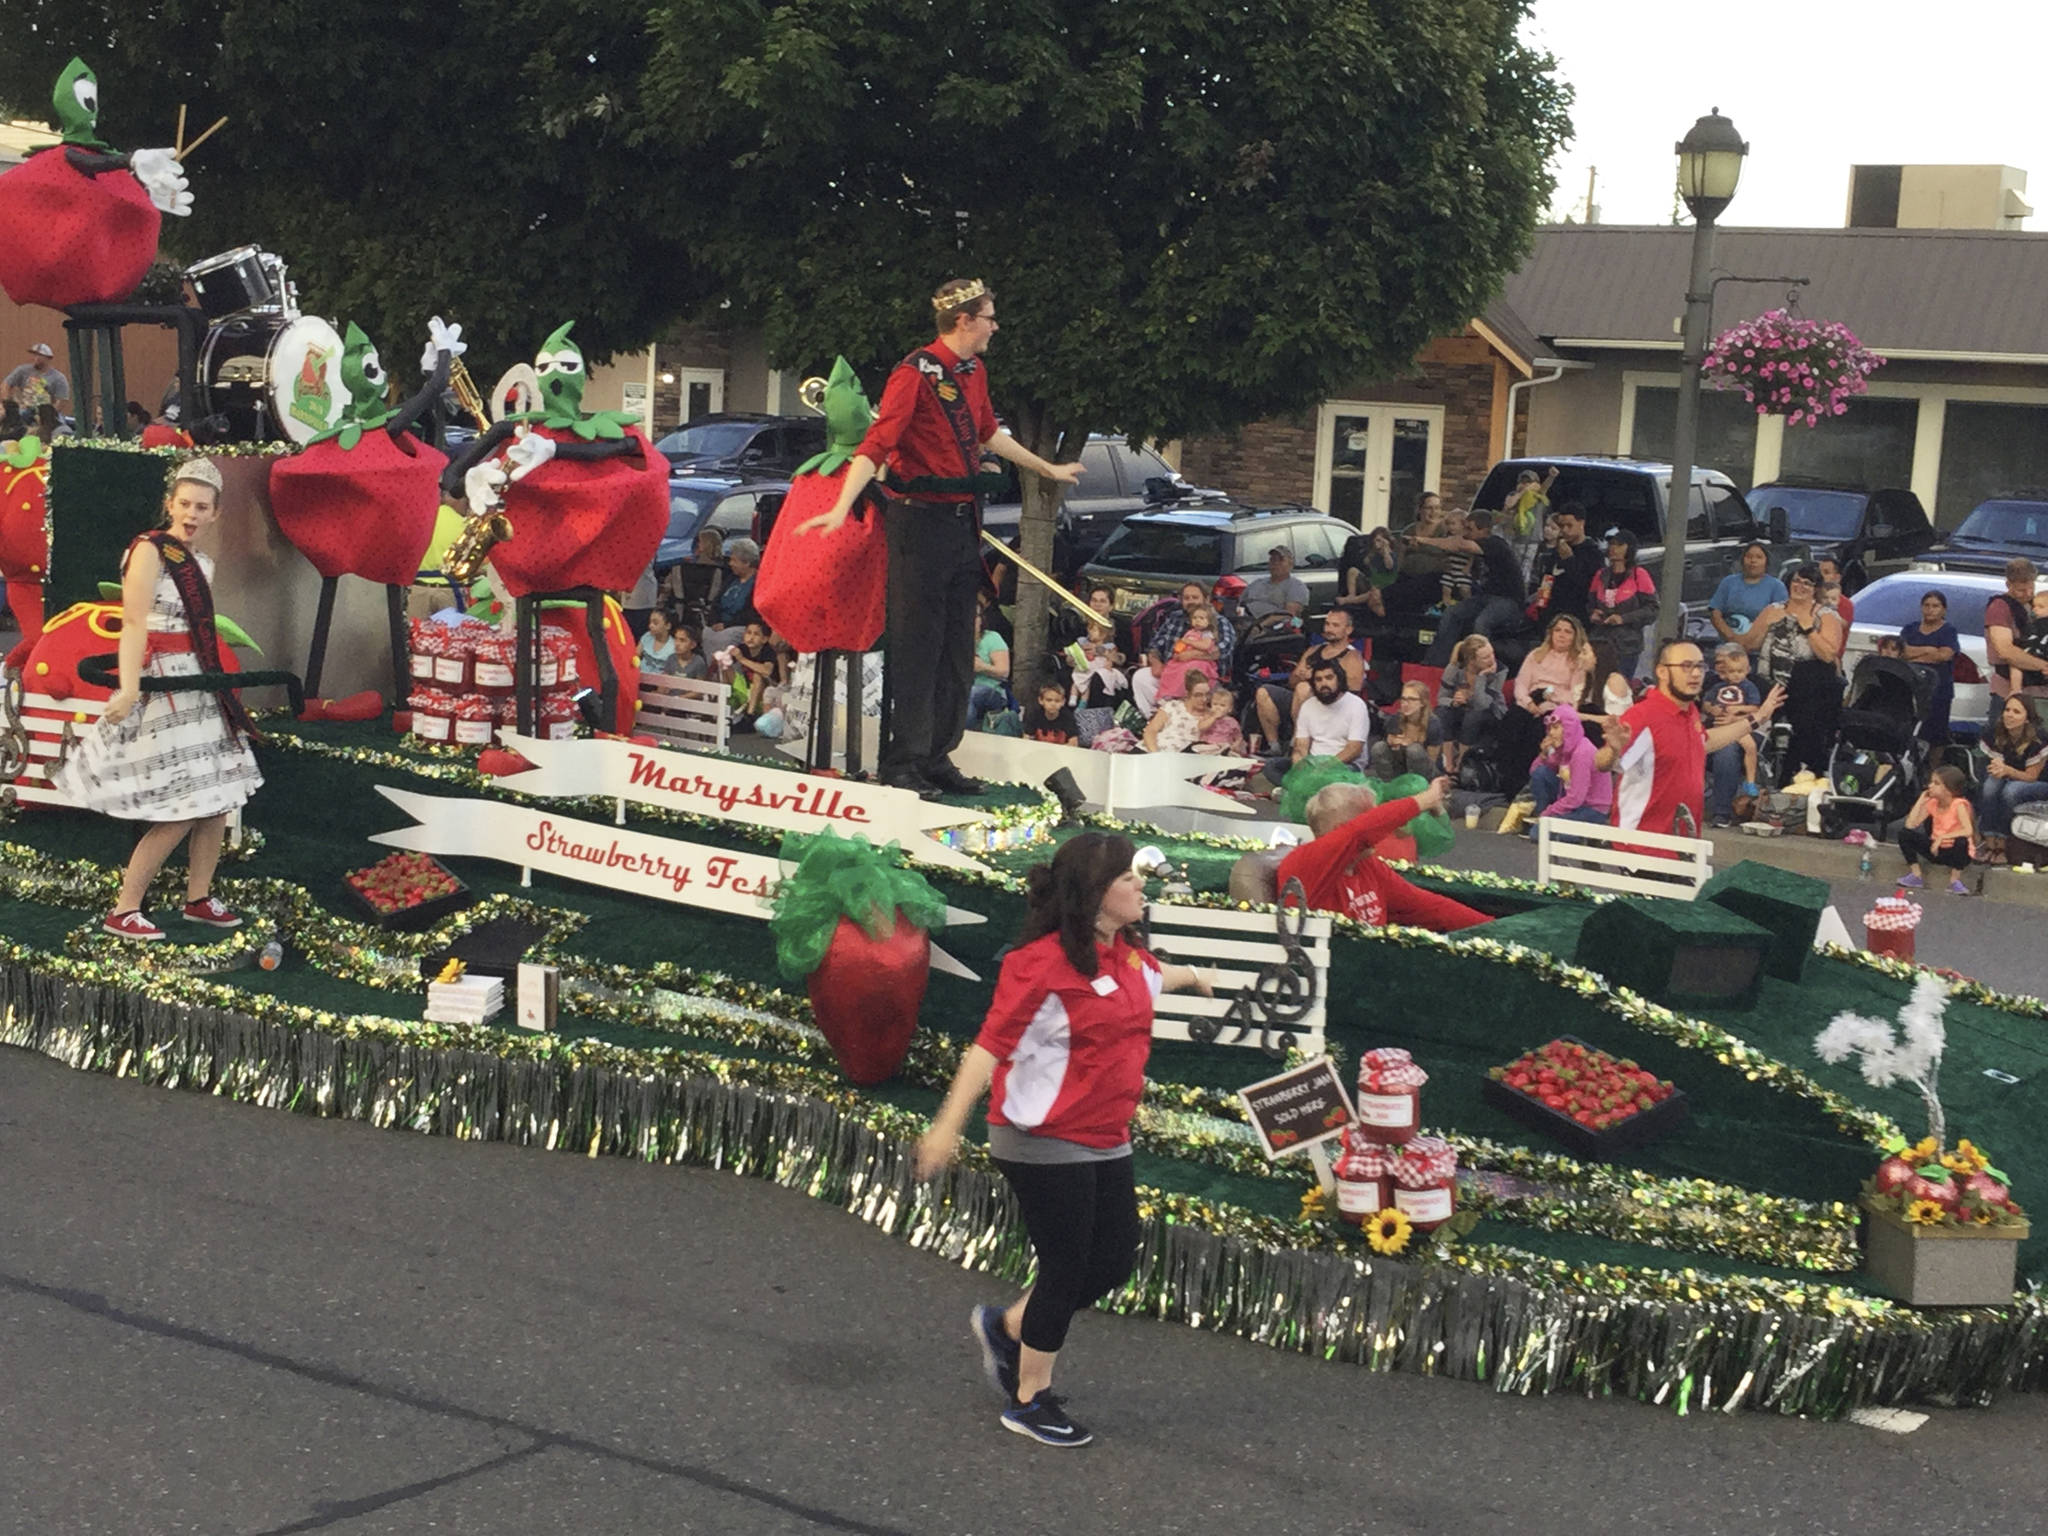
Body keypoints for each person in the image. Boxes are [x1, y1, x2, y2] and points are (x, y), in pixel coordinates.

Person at [916, 833, 1212, 1448]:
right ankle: (1029, 1400)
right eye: (1129, 879)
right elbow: (987, 1048)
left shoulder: (1124, 950)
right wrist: (947, 1126)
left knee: (1113, 1259)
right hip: (1041, 1138)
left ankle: (1008, 1328)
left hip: (1107, 1133)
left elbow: (1156, 978)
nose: (1141, 886)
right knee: (1067, 1264)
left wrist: (1198, 976)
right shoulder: (1041, 963)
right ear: (1097, 895)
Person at [797, 277, 1084, 798]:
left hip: (960, 521)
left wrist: (1046, 468)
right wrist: (841, 506)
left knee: (956, 647)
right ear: (964, 320)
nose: (996, 325)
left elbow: (988, 433)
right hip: (919, 522)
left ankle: (937, 754)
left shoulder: (974, 371)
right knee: (916, 646)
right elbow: (878, 443)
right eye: (990, 317)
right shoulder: (914, 373)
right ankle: (901, 760)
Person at [52, 457, 262, 940]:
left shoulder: (202, 563)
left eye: (201, 506)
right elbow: (132, 624)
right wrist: (128, 688)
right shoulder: (148, 551)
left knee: (216, 798)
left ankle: (198, 897)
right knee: (184, 804)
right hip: (161, 684)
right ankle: (125, 908)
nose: (191, 513)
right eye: (184, 503)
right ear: (170, 505)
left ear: (215, 513)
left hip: (197, 685)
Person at [1601, 639, 1783, 836]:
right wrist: (1613, 750)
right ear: (1662, 672)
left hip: (1682, 842)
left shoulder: (1689, 712)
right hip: (1644, 843)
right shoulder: (1643, 715)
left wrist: (1758, 717)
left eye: (1700, 666)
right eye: (1686, 666)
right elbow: (1602, 763)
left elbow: (1704, 741)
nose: (1696, 673)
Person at [1276, 777, 1491, 931]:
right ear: (1339, 829)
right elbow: (1360, 832)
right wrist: (1426, 799)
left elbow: (1428, 907)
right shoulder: (1307, 862)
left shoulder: (1366, 865)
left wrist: (1492, 928)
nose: (1381, 829)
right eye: (1371, 816)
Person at [1742, 563, 1843, 781]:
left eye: (1807, 583)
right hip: (1772, 684)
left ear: (1816, 588)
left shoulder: (1826, 615)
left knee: (1806, 737)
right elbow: (1749, 644)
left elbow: (1828, 654)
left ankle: (1799, 779)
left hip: (1811, 689)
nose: (1800, 586)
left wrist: (1808, 628)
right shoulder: (1772, 609)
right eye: (1796, 581)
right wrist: (1764, 624)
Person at [1424, 509, 1526, 665]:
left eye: (1470, 529)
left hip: (1509, 601)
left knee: (1482, 622)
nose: (1466, 533)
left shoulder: (1495, 543)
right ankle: (1437, 663)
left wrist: (1422, 540)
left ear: (1484, 530)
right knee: (1452, 613)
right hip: (1486, 597)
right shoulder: (1478, 550)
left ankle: (1480, 666)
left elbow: (1458, 545)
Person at [1253, 606, 1362, 751]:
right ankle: (1274, 747)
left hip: (1329, 704)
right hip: (1299, 700)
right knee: (1263, 692)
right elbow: (1291, 682)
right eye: (1327, 624)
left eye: (1335, 625)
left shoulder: (1352, 656)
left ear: (1348, 630)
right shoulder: (1314, 650)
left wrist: (1316, 680)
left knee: (1303, 688)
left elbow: (1355, 688)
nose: (1329, 629)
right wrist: (1299, 676)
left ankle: (1297, 743)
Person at [1254, 658, 1369, 793]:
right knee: (1271, 766)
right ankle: (1307, 790)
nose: (1324, 683)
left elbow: (1354, 749)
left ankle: (1298, 790)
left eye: (1329, 678)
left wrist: (1324, 767)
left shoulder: (1356, 705)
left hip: (1343, 765)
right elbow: (1300, 747)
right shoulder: (1308, 706)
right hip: (1312, 763)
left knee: (1337, 777)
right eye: (1318, 680)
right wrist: (1299, 768)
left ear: (1339, 679)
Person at [1133, 581, 1236, 716]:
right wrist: (1156, 662)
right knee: (1141, 677)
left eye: (1195, 597)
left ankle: (1180, 718)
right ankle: (1154, 719)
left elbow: (1222, 650)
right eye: (1187, 598)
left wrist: (1192, 655)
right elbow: (1154, 645)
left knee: (1191, 673)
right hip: (1171, 671)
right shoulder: (1175, 618)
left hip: (1204, 677)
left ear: (1206, 599)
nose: (1191, 601)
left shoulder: (1220, 622)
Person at [1975, 696, 2048, 863]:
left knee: (2011, 791)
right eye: (2007, 710)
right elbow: (1995, 765)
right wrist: (1998, 768)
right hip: (2007, 775)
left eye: (2016, 712)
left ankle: (2004, 839)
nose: (2010, 715)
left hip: (2038, 783)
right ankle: (1987, 837)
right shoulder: (1994, 732)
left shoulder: (2039, 739)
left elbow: (2031, 776)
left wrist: (2007, 770)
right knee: (1990, 786)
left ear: (2027, 717)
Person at [1983, 557, 2048, 733]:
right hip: (2008, 690)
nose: (2027, 593)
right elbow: (2005, 650)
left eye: (2031, 588)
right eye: (2021, 589)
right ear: (2008, 584)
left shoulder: (2035, 605)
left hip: (2039, 691)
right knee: (2002, 742)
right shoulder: (2000, 607)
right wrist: (2043, 665)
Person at [1703, 643, 1764, 828]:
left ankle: (1723, 811)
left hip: (1740, 728)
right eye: (1719, 663)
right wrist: (1712, 709)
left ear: (1747, 669)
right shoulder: (1714, 684)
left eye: (1739, 670)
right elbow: (1704, 703)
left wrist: (1736, 716)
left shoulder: (1753, 686)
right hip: (1712, 730)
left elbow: (1759, 711)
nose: (1719, 666)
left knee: (1728, 749)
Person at [1585, 530, 1658, 685]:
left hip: (1627, 645)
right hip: (1600, 641)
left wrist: (1623, 618)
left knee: (1619, 686)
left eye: (1619, 545)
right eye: (1611, 544)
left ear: (1629, 548)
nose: (1613, 548)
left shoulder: (1639, 574)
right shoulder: (1601, 575)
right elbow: (1590, 604)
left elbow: (1652, 609)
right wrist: (1593, 613)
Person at [1526, 704, 1612, 828]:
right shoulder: (1563, 750)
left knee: (1539, 832)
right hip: (1574, 801)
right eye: (1550, 729)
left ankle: (1588, 835)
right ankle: (1545, 822)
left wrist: (1548, 813)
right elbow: (1534, 773)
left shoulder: (1582, 752)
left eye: (1555, 728)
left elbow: (1576, 798)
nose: (1551, 733)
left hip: (1592, 809)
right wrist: (1543, 755)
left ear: (1568, 728)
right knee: (1541, 773)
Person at [1434, 633, 1507, 776]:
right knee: (1442, 712)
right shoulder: (1454, 668)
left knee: (1473, 716)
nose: (1492, 659)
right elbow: (1441, 698)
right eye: (1485, 657)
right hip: (1462, 710)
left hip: (1491, 713)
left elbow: (1483, 704)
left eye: (1492, 653)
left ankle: (1462, 761)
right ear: (1472, 660)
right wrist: (1454, 702)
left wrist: (1480, 679)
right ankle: (1448, 760)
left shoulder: (1499, 670)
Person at [1898, 765, 1978, 894]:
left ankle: (1954, 881)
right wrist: (1921, 800)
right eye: (1931, 782)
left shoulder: (1958, 804)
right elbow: (1910, 825)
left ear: (1949, 789)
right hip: (1936, 850)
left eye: (1936, 783)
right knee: (1904, 834)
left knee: (1961, 841)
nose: (1930, 786)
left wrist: (1942, 837)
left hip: (1954, 851)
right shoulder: (1932, 803)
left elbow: (1968, 830)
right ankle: (1915, 875)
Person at [1899, 590, 1960, 744]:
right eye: (1926, 605)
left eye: (1935, 606)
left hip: (1939, 691)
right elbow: (1902, 653)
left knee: (1936, 735)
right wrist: (1929, 650)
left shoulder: (1948, 631)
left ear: (1943, 609)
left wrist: (1916, 654)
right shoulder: (1910, 629)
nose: (1930, 609)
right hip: (1910, 690)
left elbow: (1944, 655)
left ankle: (1933, 767)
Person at [1525, 502, 1601, 628]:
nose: (1565, 530)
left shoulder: (1592, 553)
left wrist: (1569, 560)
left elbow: (1588, 586)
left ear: (1581, 523)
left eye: (1569, 525)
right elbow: (1547, 578)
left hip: (1577, 616)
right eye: (1561, 526)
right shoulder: (1557, 550)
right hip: (1551, 615)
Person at [1514, 614, 1595, 718]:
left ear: (1575, 637)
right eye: (1557, 630)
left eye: (1568, 632)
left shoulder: (1578, 661)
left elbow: (1575, 696)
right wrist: (1528, 703)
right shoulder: (1536, 654)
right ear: (1551, 633)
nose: (1561, 635)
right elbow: (1521, 683)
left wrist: (1551, 694)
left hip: (1557, 707)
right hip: (1529, 702)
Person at [1708, 543, 1788, 641]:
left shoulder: (1776, 586)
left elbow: (1780, 620)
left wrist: (1751, 639)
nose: (1753, 561)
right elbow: (1715, 612)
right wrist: (1730, 635)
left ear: (1766, 562)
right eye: (1749, 557)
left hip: (1761, 642)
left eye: (1759, 557)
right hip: (1729, 641)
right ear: (1742, 560)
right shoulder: (1728, 582)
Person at [1369, 680, 1441, 780]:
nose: (1406, 704)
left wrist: (1409, 744)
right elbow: (1390, 744)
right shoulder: (1395, 719)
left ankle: (1417, 788)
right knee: (1378, 747)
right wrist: (1392, 742)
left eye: (1411, 699)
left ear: (1422, 703)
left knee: (1414, 750)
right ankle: (1389, 785)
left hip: (1426, 771)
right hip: (1401, 766)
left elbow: (1433, 760)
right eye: (1403, 699)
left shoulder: (1433, 723)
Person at [700, 535, 761, 652]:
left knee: (723, 638)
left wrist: (726, 625)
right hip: (720, 624)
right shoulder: (731, 578)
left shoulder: (758, 582)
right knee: (706, 633)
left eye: (734, 560)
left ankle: (726, 669)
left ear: (747, 563)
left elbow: (751, 613)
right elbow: (716, 603)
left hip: (741, 625)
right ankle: (711, 669)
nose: (730, 563)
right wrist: (715, 621)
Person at [1500, 464, 1559, 580]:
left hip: (1533, 540)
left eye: (1529, 482)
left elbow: (1545, 487)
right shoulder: (1514, 496)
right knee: (1513, 569)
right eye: (1522, 482)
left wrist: (1551, 477)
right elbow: (1508, 504)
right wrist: (1523, 493)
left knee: (1526, 571)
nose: (1525, 484)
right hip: (1515, 539)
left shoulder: (1538, 497)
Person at [1155, 601, 1221, 700]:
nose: (1197, 620)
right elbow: (1181, 645)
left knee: (1188, 670)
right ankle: (1168, 692)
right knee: (1170, 669)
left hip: (1200, 660)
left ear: (1209, 621)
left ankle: (1181, 693)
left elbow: (1205, 646)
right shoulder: (1190, 632)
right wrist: (1178, 650)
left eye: (1201, 618)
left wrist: (1189, 642)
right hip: (1184, 658)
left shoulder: (1207, 633)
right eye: (1195, 618)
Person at [1142, 670, 1219, 753]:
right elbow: (1151, 730)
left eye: (1207, 694)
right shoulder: (1173, 706)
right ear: (1187, 693)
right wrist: (1155, 754)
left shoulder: (1211, 716)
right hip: (1151, 750)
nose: (1204, 699)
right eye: (1198, 695)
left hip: (1182, 757)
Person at [1240, 545, 1309, 632]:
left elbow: (1290, 616)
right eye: (1273, 559)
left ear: (1291, 564)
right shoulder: (1256, 583)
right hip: (1246, 624)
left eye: (1281, 560)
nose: (1276, 563)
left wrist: (1259, 626)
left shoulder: (1296, 586)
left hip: (1272, 630)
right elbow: (1240, 605)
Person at [968, 609, 1012, 730]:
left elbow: (1004, 672)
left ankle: (966, 733)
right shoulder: (957, 639)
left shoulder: (992, 637)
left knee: (970, 694)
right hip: (961, 684)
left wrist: (982, 667)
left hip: (991, 689)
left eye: (976, 616)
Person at [5, 342, 70, 416]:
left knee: (61, 425)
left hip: (46, 412)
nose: (36, 358)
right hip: (25, 410)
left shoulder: (58, 377)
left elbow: (62, 400)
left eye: (39, 355)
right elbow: (6, 385)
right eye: (34, 355)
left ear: (48, 358)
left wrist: (50, 415)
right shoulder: (22, 371)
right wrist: (10, 405)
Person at [1021, 680, 1080, 744]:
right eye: (1049, 700)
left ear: (1063, 702)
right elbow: (1026, 739)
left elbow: (1074, 742)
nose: (1053, 704)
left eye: (1057, 701)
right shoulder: (1034, 715)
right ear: (1040, 700)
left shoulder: (1068, 717)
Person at [637, 605, 682, 675]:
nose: (650, 626)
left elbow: (672, 672)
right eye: (650, 622)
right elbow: (635, 655)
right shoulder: (647, 636)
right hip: (641, 677)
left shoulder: (674, 647)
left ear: (668, 626)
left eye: (655, 623)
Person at [1815, 555, 1855, 626]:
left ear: (1837, 578)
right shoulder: (1809, 598)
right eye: (1819, 572)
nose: (1820, 576)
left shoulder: (1845, 604)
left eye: (1826, 572)